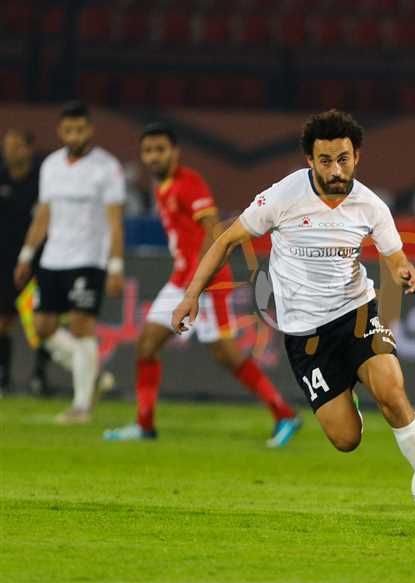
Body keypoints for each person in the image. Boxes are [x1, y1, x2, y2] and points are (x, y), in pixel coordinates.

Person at [171, 109, 415, 471]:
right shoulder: (283, 197)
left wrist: (406, 272)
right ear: (310, 160)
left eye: (343, 159)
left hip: (356, 313)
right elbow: (227, 240)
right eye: (325, 161)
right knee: (346, 439)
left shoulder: (371, 206)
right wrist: (191, 295)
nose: (335, 170)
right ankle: (348, 391)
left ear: (357, 156)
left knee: (391, 392)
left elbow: (396, 259)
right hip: (305, 334)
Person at [103, 123, 301, 446]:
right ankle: (144, 424)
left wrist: (200, 282)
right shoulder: (162, 187)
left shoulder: (189, 184)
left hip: (204, 282)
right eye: (148, 151)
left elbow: (214, 231)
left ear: (175, 152)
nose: (153, 157)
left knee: (226, 353)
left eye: (160, 149)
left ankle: (284, 414)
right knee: (147, 344)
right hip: (179, 280)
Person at [15, 102, 123, 423]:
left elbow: (114, 222)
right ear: (60, 132)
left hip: (88, 259)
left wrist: (115, 266)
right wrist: (26, 254)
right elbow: (43, 214)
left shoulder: (106, 167)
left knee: (80, 326)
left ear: (90, 130)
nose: (74, 135)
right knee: (42, 328)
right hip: (52, 258)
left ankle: (81, 407)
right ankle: (93, 374)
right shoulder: (50, 165)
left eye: (79, 129)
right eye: (68, 130)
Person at [0, 129, 42, 396]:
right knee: (3, 320)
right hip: (4, 260)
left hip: (38, 261)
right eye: (7, 145)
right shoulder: (1, 178)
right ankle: (3, 376)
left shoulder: (41, 180)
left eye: (16, 146)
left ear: (28, 149)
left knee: (41, 322)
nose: (9, 151)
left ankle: (40, 376)